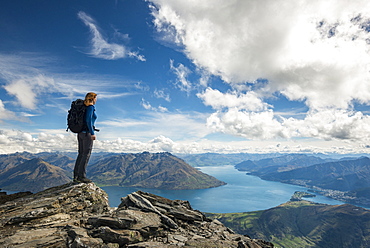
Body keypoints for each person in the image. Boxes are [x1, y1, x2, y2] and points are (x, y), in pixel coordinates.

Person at [73, 92, 98, 183]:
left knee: (81, 154)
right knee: (86, 154)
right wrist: (92, 133)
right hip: (87, 134)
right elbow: (88, 121)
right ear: (93, 98)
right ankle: (81, 176)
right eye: (96, 98)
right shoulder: (90, 107)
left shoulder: (83, 107)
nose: (96, 100)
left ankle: (76, 175)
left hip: (80, 133)